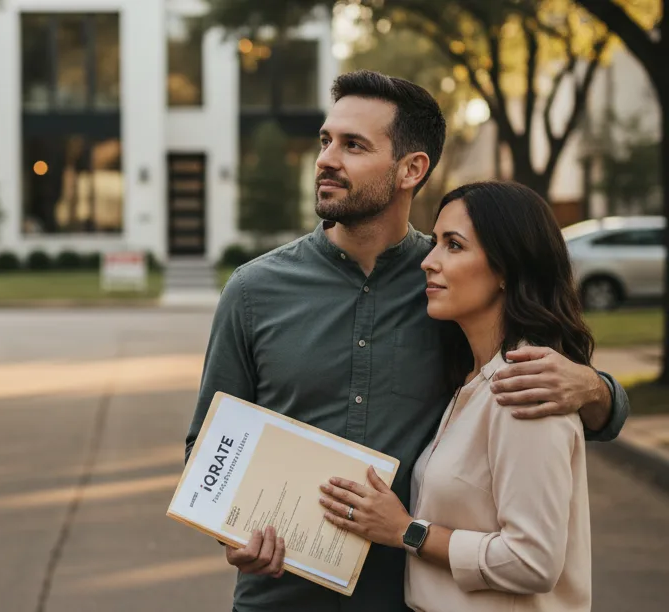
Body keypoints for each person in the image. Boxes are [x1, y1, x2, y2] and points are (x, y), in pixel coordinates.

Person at [183, 70, 629, 612]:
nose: (326, 158)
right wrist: (231, 534)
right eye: (326, 140)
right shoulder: (253, 290)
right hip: (279, 598)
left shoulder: (451, 287)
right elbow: (208, 446)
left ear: (410, 169)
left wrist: (596, 389)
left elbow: (550, 411)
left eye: (353, 145)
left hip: (408, 599)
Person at [319, 181, 596, 611]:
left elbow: (533, 561)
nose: (429, 262)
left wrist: (406, 531)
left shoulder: (524, 388)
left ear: (507, 267)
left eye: (454, 245)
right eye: (434, 243)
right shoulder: (474, 381)